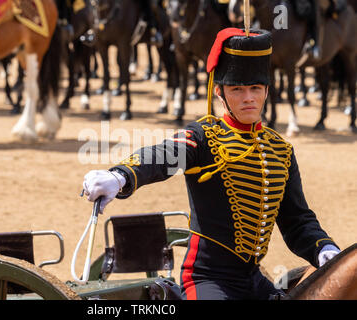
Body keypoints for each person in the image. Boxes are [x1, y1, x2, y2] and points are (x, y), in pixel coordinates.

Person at [82, 27, 341, 300]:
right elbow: (162, 155)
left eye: (255, 88)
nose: (248, 98)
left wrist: (323, 248)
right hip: (208, 280)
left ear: (267, 90)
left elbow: (297, 220)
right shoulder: (204, 137)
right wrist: (121, 176)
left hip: (253, 279)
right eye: (237, 90)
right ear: (219, 92)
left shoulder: (281, 150)